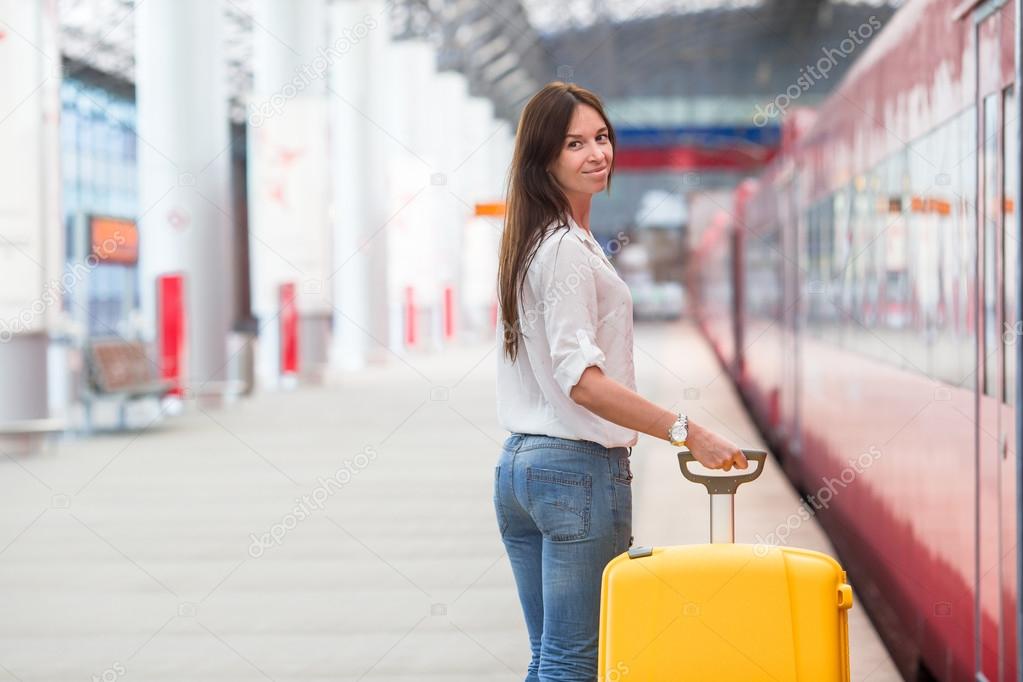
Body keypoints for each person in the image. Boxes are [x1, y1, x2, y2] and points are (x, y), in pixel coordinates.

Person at [493, 82, 749, 682]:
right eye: (574, 143)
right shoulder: (565, 251)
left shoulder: (534, 244)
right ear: (543, 159)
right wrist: (688, 432)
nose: (596, 154)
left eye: (601, 138)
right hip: (576, 472)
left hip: (519, 471)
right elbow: (581, 381)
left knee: (549, 658)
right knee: (575, 662)